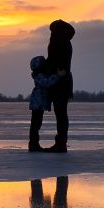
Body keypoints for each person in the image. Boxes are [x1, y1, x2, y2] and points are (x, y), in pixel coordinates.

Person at [45, 20, 75, 153]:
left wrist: (41, 69)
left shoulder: (59, 42)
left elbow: (53, 61)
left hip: (60, 82)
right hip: (63, 81)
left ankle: (61, 144)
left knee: (61, 113)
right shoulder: (65, 42)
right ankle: (61, 142)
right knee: (61, 113)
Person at [28, 56, 66, 152]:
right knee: (35, 124)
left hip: (39, 103)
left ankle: (34, 143)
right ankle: (33, 144)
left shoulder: (40, 74)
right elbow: (47, 83)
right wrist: (57, 75)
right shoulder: (39, 75)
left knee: (37, 123)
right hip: (37, 104)